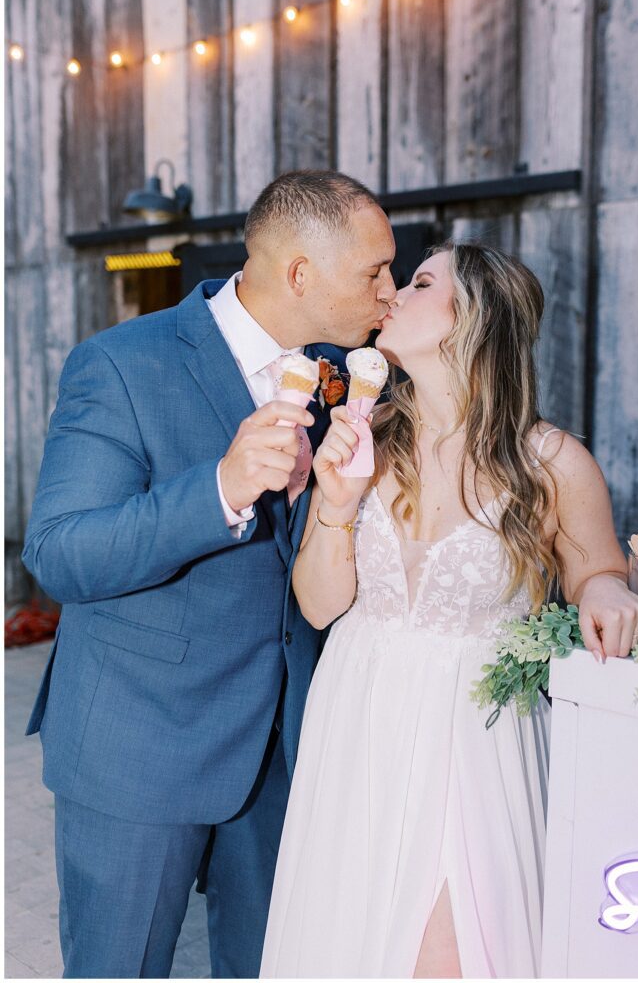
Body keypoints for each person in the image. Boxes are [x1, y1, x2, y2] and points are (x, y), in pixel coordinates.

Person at [21, 169, 396, 979]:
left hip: (282, 753)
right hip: (139, 746)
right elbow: (60, 552)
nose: (390, 293)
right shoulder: (121, 364)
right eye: (375, 272)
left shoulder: (347, 378)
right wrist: (220, 490)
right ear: (301, 274)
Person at [259, 241, 638, 979]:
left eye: (418, 283)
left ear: (471, 316)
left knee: (447, 954)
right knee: (354, 939)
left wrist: (604, 588)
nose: (393, 296)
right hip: (360, 720)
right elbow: (317, 607)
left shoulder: (551, 462)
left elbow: (596, 571)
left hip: (473, 741)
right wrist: (337, 504)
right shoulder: (363, 436)